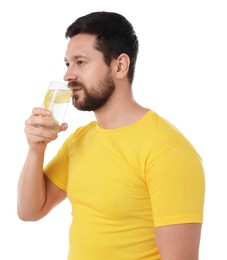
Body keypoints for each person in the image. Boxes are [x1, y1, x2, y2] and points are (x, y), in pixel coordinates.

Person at [17, 11, 205, 260]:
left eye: (80, 62)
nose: (67, 75)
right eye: (67, 63)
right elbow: (30, 211)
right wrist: (36, 148)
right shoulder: (79, 140)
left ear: (120, 65)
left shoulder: (168, 150)